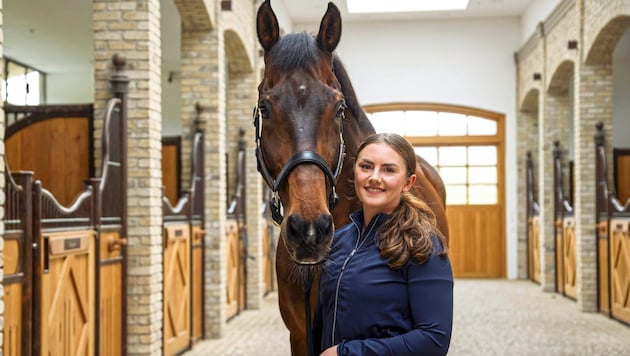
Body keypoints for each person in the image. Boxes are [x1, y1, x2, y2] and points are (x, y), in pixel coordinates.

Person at [312, 132, 453, 356]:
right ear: (354, 172)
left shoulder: (423, 245)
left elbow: (434, 339)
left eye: (388, 170)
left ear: (408, 182)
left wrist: (346, 353)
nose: (374, 177)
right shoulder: (338, 241)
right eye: (366, 166)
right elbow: (320, 322)